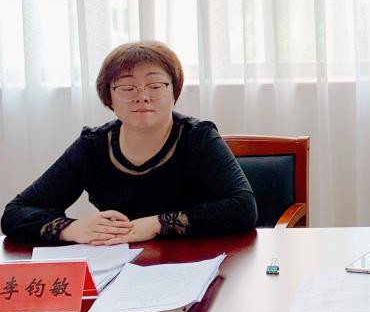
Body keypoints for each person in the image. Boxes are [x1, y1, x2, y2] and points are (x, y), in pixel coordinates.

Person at [2, 41, 257, 244]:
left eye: (155, 86)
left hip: (196, 260)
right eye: (127, 88)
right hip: (117, 265)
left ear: (174, 93)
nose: (142, 96)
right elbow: (15, 213)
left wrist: (156, 224)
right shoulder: (92, 146)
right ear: (109, 98)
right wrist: (72, 228)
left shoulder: (198, 138)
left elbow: (243, 209)